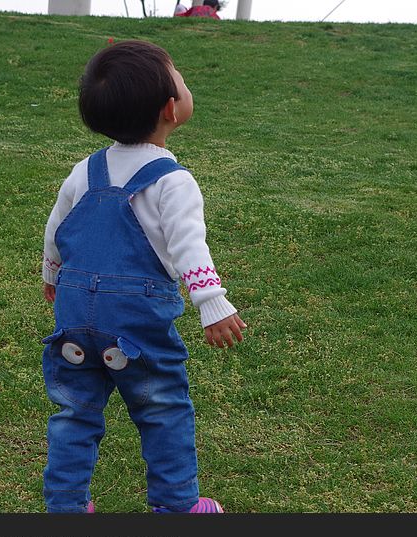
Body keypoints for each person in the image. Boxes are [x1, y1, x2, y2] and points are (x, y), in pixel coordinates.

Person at [41, 40, 247, 513]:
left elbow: (56, 229)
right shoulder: (172, 181)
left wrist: (52, 276)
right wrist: (211, 303)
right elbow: (188, 245)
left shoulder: (85, 171)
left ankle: (67, 509)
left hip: (74, 312)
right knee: (162, 409)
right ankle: (178, 507)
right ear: (171, 109)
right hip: (135, 321)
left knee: (75, 412)